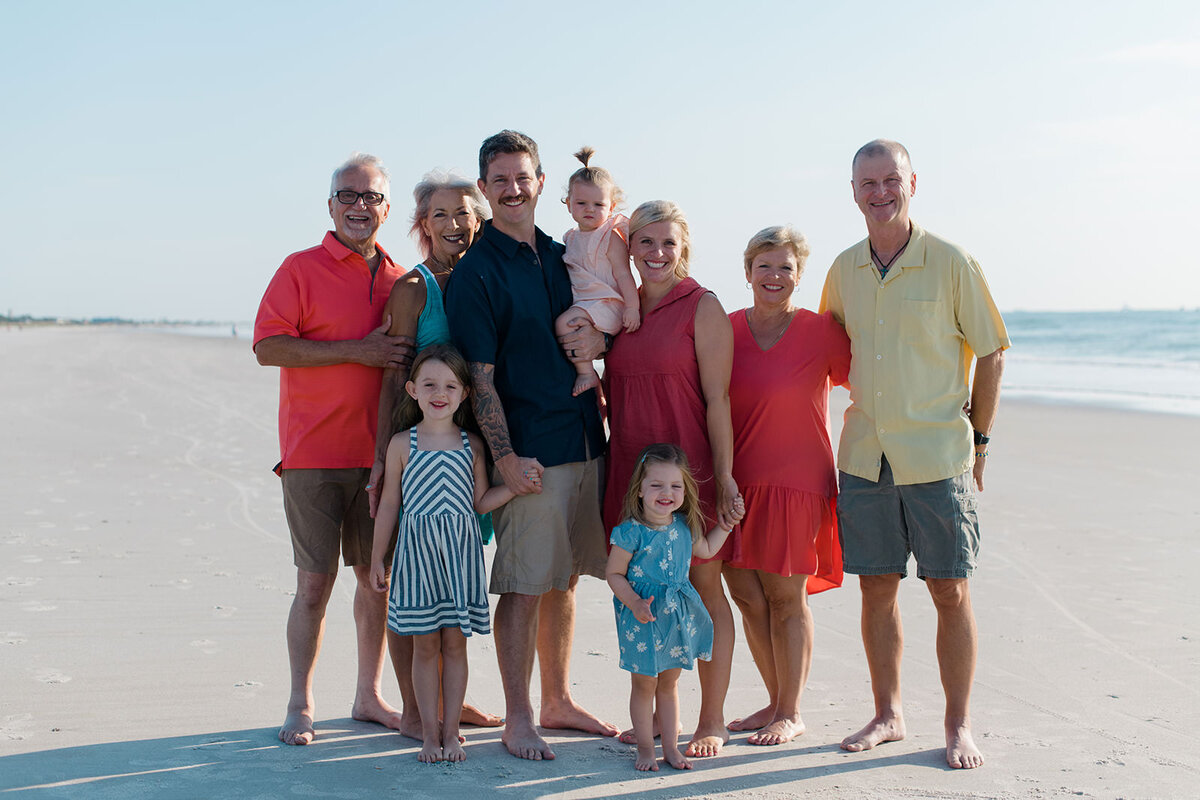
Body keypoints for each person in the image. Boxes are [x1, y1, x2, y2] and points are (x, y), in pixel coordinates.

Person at [819, 139, 1009, 770]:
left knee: (949, 589)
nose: (880, 192)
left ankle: (958, 725)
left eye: (890, 180)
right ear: (853, 191)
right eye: (867, 182)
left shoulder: (951, 260)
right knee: (876, 587)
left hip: (937, 455)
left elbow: (991, 351)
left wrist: (979, 440)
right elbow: (827, 354)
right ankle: (888, 713)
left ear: (912, 182)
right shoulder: (843, 268)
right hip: (865, 455)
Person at [444, 129, 617, 761]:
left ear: (542, 182)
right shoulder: (476, 274)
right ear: (484, 190)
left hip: (583, 439)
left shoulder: (562, 253)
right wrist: (506, 458)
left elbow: (600, 322)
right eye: (500, 180)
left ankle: (557, 699)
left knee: (565, 578)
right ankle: (519, 716)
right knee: (522, 584)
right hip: (530, 452)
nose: (513, 189)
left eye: (523, 177)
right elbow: (479, 380)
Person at [253, 153, 413, 746]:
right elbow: (269, 347)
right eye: (348, 195)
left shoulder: (402, 280)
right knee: (314, 584)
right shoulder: (299, 268)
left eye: (371, 197)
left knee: (376, 582)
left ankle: (368, 696)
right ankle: (300, 702)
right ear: (330, 205)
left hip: (383, 458)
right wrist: (358, 351)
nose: (359, 206)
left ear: (386, 209)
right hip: (311, 453)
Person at [364, 170, 502, 735]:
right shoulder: (413, 288)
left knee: (455, 579)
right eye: (440, 214)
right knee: (413, 583)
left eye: (464, 212)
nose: (453, 224)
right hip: (418, 453)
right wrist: (380, 458)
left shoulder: (492, 275)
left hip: (476, 450)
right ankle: (416, 708)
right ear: (422, 223)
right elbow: (392, 377)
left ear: (481, 217)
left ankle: (450, 700)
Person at [602, 200, 740, 757]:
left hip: (687, 477)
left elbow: (718, 398)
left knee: (702, 591)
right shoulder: (619, 308)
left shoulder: (701, 306)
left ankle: (711, 719)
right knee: (643, 591)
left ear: (683, 249)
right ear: (629, 247)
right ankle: (656, 716)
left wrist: (724, 478)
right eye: (645, 242)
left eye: (669, 244)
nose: (657, 254)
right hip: (632, 472)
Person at [723, 225, 851, 746]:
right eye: (764, 266)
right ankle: (775, 700)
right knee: (747, 596)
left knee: (785, 597)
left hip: (797, 480)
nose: (774, 276)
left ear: (799, 275)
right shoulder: (725, 328)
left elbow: (869, 379)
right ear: (748, 271)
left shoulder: (821, 331)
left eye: (786, 268)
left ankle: (791, 711)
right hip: (735, 479)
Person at [369, 345, 521, 763]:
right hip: (416, 558)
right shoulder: (402, 444)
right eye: (431, 384)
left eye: (451, 385)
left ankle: (451, 732)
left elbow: (480, 501)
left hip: (460, 558)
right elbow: (388, 506)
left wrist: (517, 484)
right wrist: (378, 557)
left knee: (455, 646)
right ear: (412, 389)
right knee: (423, 647)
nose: (441, 392)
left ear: (465, 393)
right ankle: (429, 735)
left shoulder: (471, 444)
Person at [607, 444, 745, 772]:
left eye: (675, 486)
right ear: (639, 490)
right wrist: (635, 603)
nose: (666, 493)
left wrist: (727, 523)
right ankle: (644, 749)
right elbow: (613, 574)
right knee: (644, 685)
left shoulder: (684, 527)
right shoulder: (630, 532)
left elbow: (709, 549)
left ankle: (670, 748)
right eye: (656, 485)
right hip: (642, 618)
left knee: (668, 685)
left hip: (675, 620)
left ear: (685, 490)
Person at [555, 146, 639, 396]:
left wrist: (632, 307)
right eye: (581, 203)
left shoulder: (609, 236)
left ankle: (586, 372)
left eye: (598, 204)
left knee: (563, 323)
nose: (589, 209)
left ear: (611, 206)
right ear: (569, 204)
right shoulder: (570, 237)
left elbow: (624, 275)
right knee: (569, 325)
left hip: (608, 303)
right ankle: (597, 388)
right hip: (587, 304)